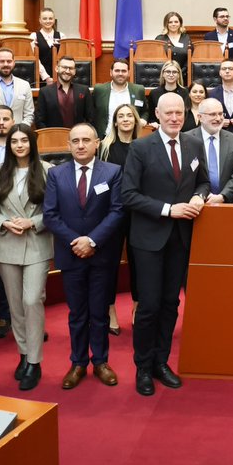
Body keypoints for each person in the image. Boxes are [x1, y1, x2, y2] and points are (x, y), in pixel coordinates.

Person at [120, 92, 210, 396]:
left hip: (181, 239)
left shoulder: (194, 144)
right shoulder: (140, 147)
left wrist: (199, 196)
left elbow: (204, 181)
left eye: (179, 113)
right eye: (168, 113)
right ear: (157, 114)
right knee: (149, 306)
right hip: (148, 239)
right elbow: (128, 194)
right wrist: (167, 209)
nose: (174, 118)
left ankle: (161, 361)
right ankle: (142, 367)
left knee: (171, 304)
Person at [44, 123, 125, 390]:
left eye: (86, 140)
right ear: (68, 145)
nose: (80, 145)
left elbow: (117, 211)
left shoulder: (112, 172)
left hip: (102, 255)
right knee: (77, 314)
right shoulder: (56, 174)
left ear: (96, 143)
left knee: (100, 313)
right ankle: (78, 363)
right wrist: (75, 242)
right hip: (70, 255)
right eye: (75, 141)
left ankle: (100, 361)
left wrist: (91, 241)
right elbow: (51, 215)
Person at [0, 124, 52, 391]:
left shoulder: (47, 170)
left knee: (32, 300)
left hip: (37, 243)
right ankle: (24, 354)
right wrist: (3, 223)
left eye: (23, 140)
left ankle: (35, 361)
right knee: (16, 305)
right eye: (14, 141)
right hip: (7, 245)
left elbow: (54, 210)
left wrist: (33, 222)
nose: (18, 145)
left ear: (32, 143)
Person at [100, 102, 144, 336]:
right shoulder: (106, 147)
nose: (126, 119)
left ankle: (137, 306)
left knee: (139, 262)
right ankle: (109, 309)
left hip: (138, 214)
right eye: (121, 116)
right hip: (113, 213)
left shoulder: (144, 146)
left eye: (130, 116)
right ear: (115, 122)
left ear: (136, 121)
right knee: (110, 263)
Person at [182, 98, 233, 203]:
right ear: (200, 117)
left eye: (221, 114)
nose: (218, 118)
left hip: (228, 203)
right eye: (213, 114)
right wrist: (200, 195)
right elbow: (184, 175)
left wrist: (223, 196)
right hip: (195, 203)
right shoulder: (186, 139)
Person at [92, 58, 147, 139]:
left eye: (124, 71)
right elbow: (91, 114)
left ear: (129, 73)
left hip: (131, 138)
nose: (120, 73)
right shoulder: (99, 90)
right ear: (111, 72)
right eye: (117, 71)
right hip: (105, 138)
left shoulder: (138, 90)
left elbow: (144, 111)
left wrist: (143, 119)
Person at [35, 55, 92, 130]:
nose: (67, 71)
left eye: (71, 68)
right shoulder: (44, 92)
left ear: (74, 71)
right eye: (64, 67)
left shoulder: (84, 90)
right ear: (57, 68)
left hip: (77, 138)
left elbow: (90, 118)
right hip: (53, 137)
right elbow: (39, 121)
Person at [146, 61, 191, 125]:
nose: (171, 75)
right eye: (168, 72)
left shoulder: (185, 92)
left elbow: (187, 115)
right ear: (163, 74)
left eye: (174, 72)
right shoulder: (154, 93)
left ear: (178, 75)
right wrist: (154, 123)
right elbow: (151, 117)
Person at [156, 11, 193, 84]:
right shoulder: (160, 39)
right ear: (166, 24)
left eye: (176, 22)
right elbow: (157, 59)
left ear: (180, 23)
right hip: (165, 77)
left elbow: (190, 57)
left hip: (183, 77)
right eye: (170, 22)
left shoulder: (186, 38)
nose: (173, 24)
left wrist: (179, 72)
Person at [207, 58, 233, 132]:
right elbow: (207, 116)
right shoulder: (212, 94)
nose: (227, 71)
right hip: (219, 134)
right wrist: (217, 122)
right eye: (224, 69)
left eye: (231, 69)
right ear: (220, 72)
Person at [33, 7, 63, 84]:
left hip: (60, 77)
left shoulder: (61, 36)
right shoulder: (34, 36)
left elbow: (64, 58)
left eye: (50, 18)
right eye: (45, 18)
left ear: (54, 20)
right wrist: (46, 77)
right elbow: (35, 59)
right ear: (40, 20)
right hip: (41, 79)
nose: (48, 21)